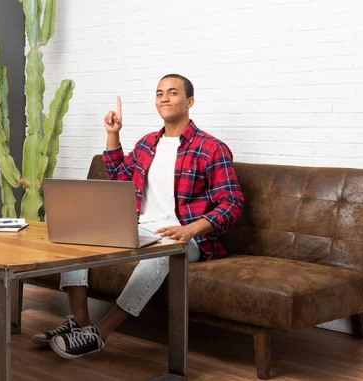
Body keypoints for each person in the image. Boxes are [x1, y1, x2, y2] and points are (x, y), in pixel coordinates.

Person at [32, 74, 244, 359]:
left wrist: (192, 229)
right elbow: (119, 177)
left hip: (186, 237)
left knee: (161, 254)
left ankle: (100, 333)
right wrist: (113, 134)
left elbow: (232, 203)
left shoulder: (211, 148)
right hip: (141, 229)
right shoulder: (147, 144)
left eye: (172, 93)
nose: (164, 98)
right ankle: (80, 324)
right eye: (159, 94)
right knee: (78, 235)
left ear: (189, 101)